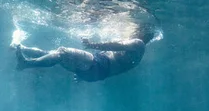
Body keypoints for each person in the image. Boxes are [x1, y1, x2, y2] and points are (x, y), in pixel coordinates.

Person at [14, 26, 155, 82]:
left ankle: (26, 63)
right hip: (95, 73)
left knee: (62, 52)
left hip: (98, 64)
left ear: (142, 32)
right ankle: (22, 48)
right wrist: (84, 75)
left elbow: (116, 45)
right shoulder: (137, 56)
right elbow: (117, 66)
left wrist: (91, 44)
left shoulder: (138, 43)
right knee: (55, 54)